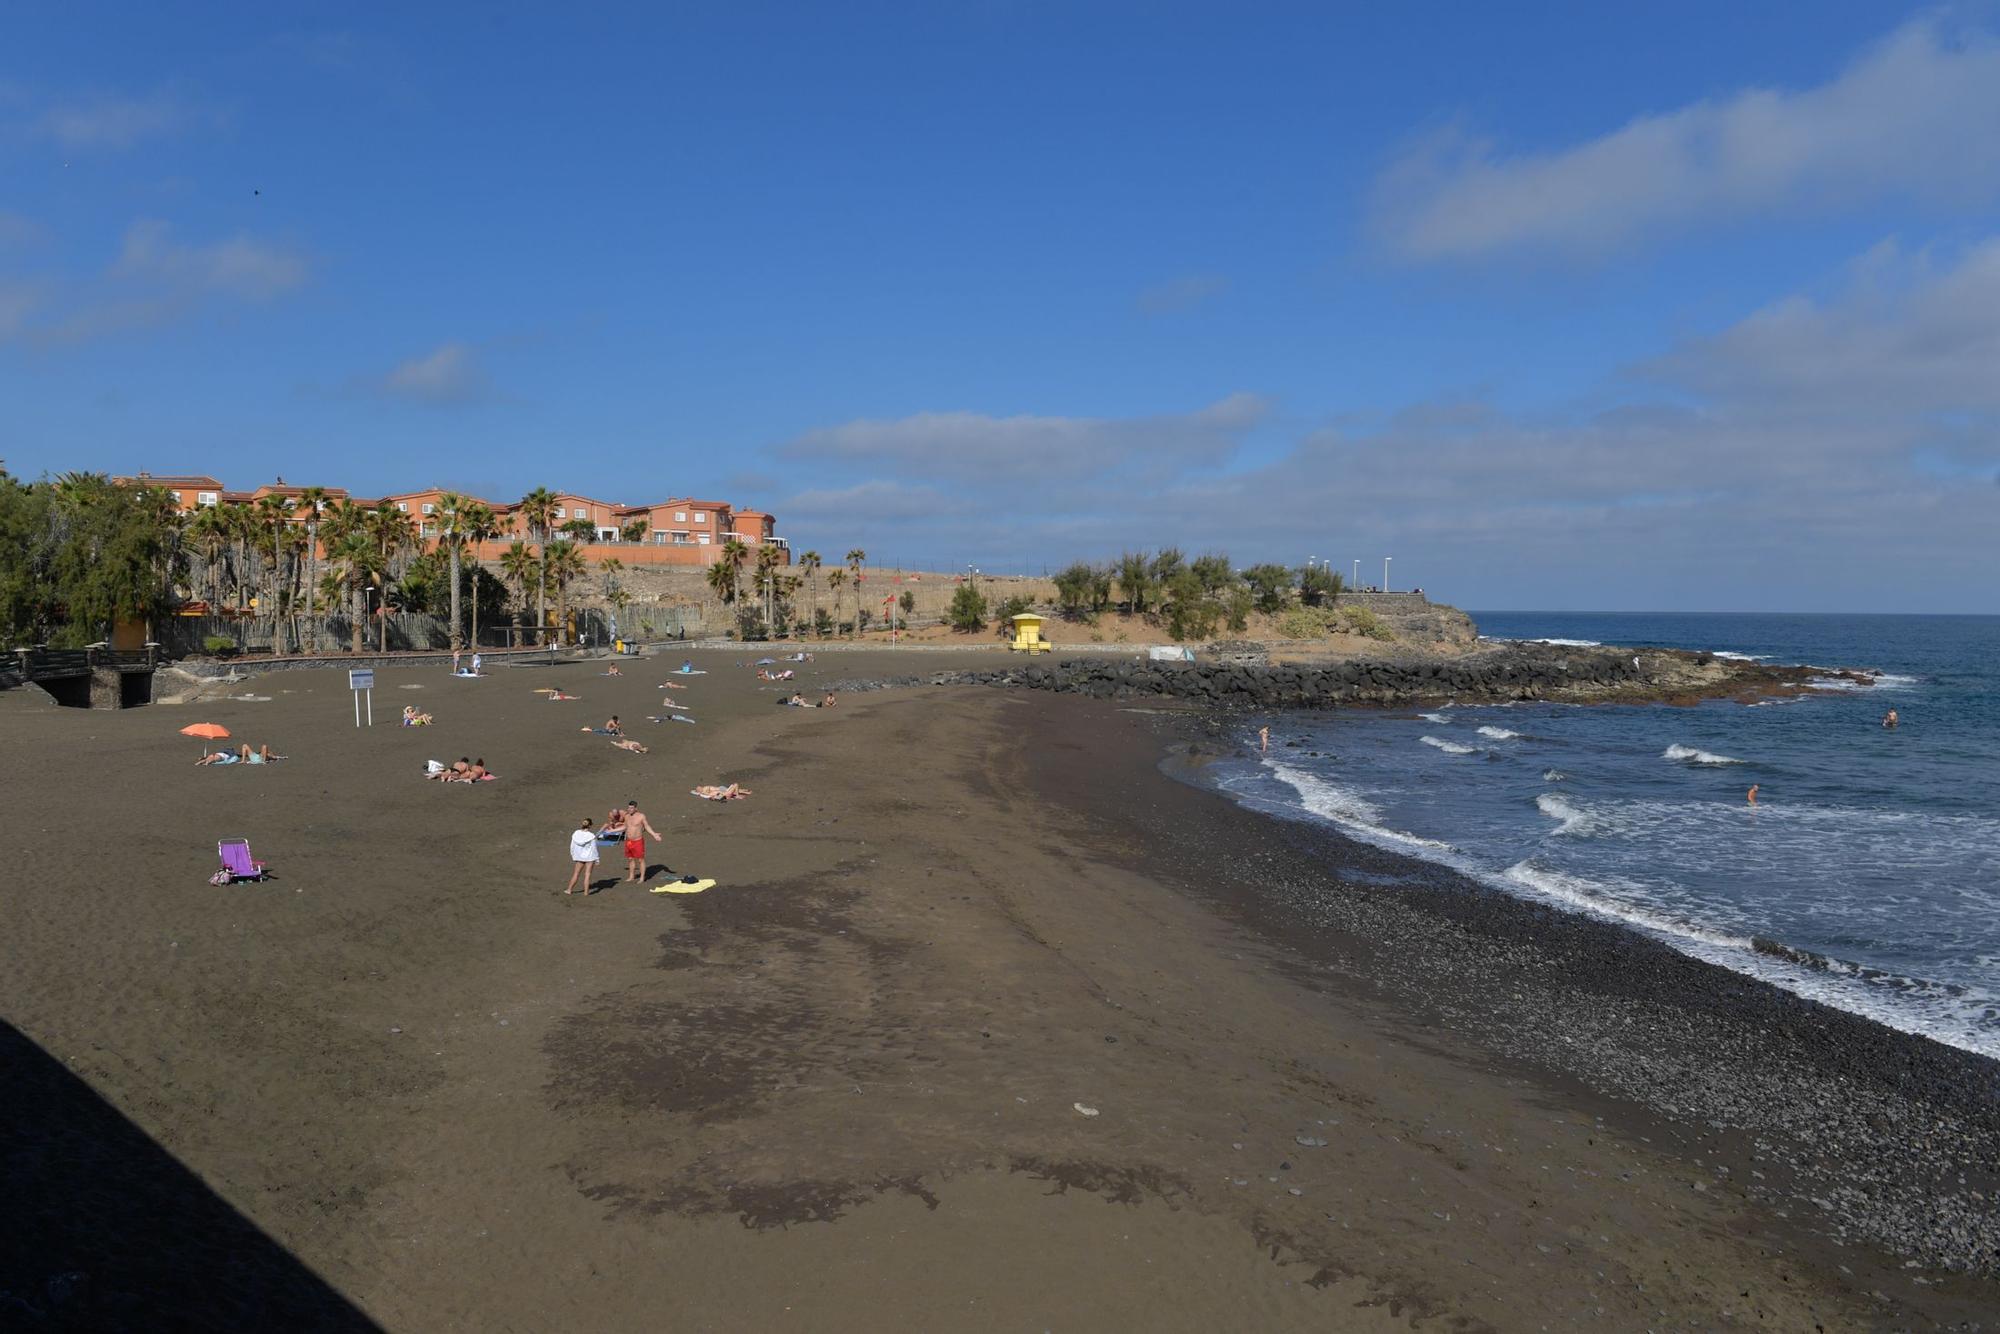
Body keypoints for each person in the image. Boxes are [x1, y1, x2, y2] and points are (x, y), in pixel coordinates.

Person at [618, 800, 662, 882]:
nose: (629, 809)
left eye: (631, 808)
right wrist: (613, 830)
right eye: (629, 807)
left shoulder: (641, 816)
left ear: (636, 808)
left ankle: (642, 877)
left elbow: (647, 826)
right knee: (630, 859)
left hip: (638, 841)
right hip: (629, 841)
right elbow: (624, 826)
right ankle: (631, 876)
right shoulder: (627, 816)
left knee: (640, 859)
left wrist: (654, 834)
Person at [565, 819, 598, 895]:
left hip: (580, 857)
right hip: (590, 857)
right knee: (587, 874)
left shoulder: (576, 833)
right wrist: (597, 859)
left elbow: (572, 846)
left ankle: (569, 890)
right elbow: (594, 848)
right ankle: (586, 892)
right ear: (590, 826)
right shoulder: (591, 835)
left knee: (576, 874)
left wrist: (573, 855)